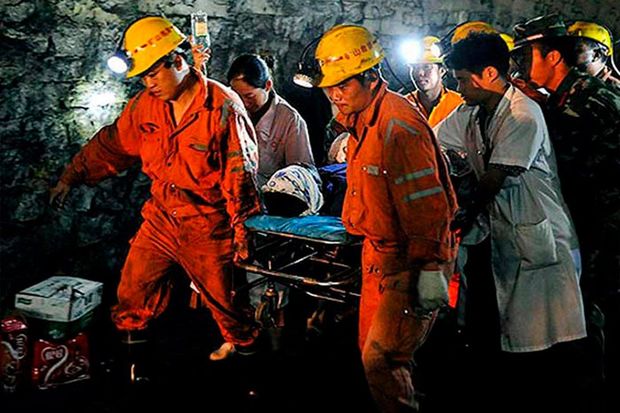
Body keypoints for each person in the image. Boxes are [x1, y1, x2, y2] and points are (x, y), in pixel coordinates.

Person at [49, 16, 262, 375]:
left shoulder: (222, 107)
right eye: (143, 77)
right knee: (133, 292)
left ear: (177, 62)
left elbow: (240, 178)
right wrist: (72, 175)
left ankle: (250, 373)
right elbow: (113, 144)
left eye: (153, 74)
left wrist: (243, 236)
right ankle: (135, 374)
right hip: (162, 216)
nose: (149, 84)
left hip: (207, 224)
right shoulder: (146, 106)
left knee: (228, 307)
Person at [434, 31, 587, 411]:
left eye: (462, 80)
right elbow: (432, 140)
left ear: (489, 74)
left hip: (536, 230)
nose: (458, 88)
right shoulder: (471, 112)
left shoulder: (523, 115)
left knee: (548, 337)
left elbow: (493, 179)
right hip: (499, 231)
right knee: (501, 327)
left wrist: (460, 215)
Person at [312, 24, 458, 412]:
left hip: (408, 260)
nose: (334, 94)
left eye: (343, 84)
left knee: (381, 359)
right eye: (330, 86)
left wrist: (430, 267)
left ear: (371, 77)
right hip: (378, 257)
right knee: (373, 354)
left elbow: (428, 204)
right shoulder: (363, 123)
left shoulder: (397, 126)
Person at [512, 14, 620, 411]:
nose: (521, 67)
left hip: (607, 224)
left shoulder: (586, 101)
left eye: (528, 57)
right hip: (593, 221)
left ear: (553, 57)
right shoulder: (566, 97)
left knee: (599, 308)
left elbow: (571, 164)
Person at [227, 54, 316, 187]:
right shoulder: (229, 108)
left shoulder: (290, 120)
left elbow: (302, 173)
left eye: (249, 96)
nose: (243, 103)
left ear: (268, 86)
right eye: (237, 95)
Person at [404, 35, 464, 127]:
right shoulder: (403, 105)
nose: (420, 73)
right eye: (415, 67)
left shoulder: (459, 105)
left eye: (427, 67)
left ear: (442, 71)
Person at [568, 20, 620, 88]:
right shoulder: (572, 80)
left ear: (596, 55)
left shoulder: (613, 90)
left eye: (578, 50)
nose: (568, 55)